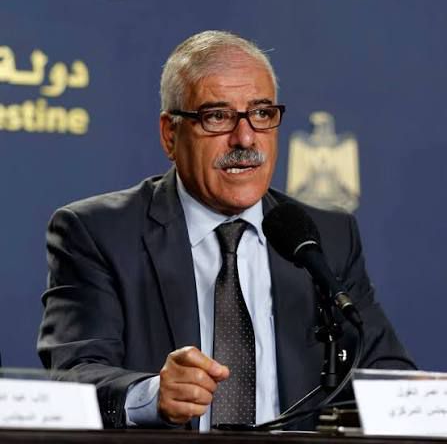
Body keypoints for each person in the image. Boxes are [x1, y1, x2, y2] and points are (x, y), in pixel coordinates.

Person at [37, 30, 415, 431]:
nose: (245, 138)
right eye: (217, 117)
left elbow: (384, 369)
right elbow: (73, 375)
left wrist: (417, 401)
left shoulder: (325, 235)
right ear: (170, 134)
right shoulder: (98, 232)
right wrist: (151, 395)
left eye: (262, 114)